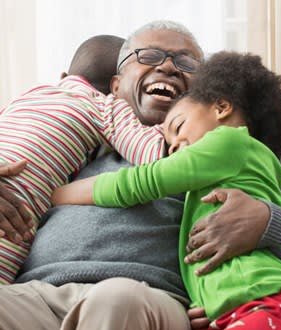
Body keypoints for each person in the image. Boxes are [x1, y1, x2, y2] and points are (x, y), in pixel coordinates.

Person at [0, 20, 281, 330]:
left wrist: (270, 223)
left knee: (117, 300)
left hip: (141, 300)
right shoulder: (71, 140)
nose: (167, 66)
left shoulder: (242, 149)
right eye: (148, 55)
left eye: (186, 63)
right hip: (35, 295)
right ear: (116, 84)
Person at [52, 51, 281, 330]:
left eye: (178, 127)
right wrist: (206, 301)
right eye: (170, 145)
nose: (175, 147)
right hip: (231, 311)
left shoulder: (230, 143)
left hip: (264, 301)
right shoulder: (228, 171)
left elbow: (139, 183)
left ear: (221, 108)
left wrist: (54, 195)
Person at [0, 34, 169, 283]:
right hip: (14, 216)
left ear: (63, 78)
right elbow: (152, 155)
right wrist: (175, 123)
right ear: (116, 87)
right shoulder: (106, 106)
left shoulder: (27, 96)